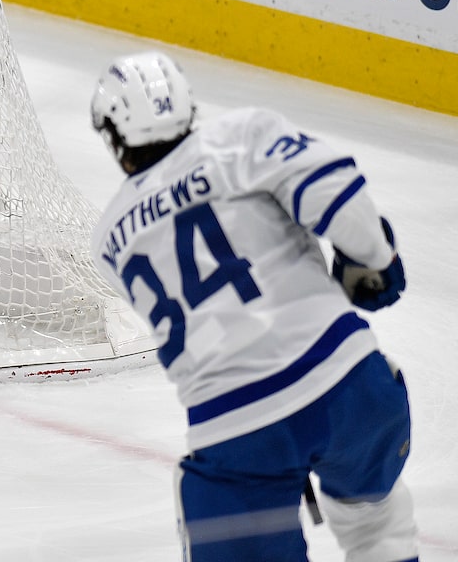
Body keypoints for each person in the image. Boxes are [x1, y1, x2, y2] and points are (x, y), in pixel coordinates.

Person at [88, 50, 418, 561]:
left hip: (236, 429)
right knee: (377, 523)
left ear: (114, 137)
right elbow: (336, 194)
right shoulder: (239, 137)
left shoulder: (110, 238)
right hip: (348, 387)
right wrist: (374, 257)